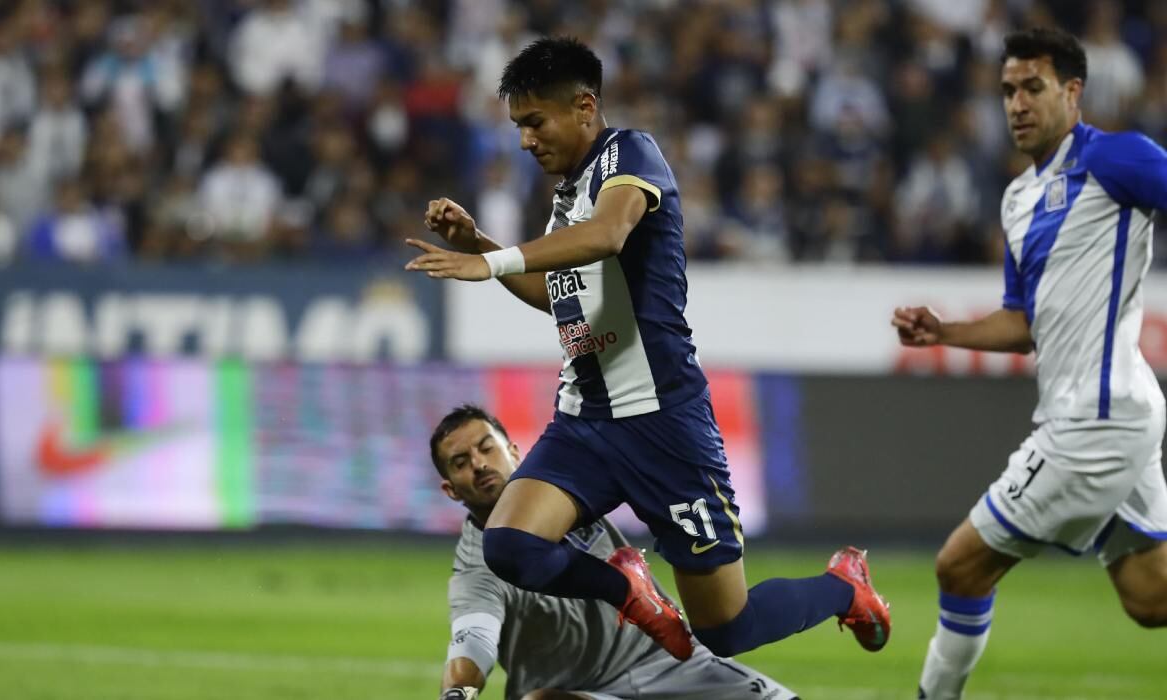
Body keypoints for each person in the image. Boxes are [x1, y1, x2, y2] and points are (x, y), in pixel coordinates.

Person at [405, 36, 890, 661]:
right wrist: (477, 244)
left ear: (583, 106)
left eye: (534, 122)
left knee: (725, 629)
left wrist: (493, 261)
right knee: (509, 546)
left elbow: (608, 236)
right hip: (586, 422)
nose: (525, 140)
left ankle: (841, 589)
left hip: (663, 424)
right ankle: (627, 587)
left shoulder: (629, 154)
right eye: (519, 126)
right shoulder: (565, 198)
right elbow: (560, 295)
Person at [891, 28, 1167, 700]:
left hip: (1092, 422)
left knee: (959, 566)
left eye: (1033, 88)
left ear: (1073, 93)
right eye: (1009, 90)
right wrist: (945, 331)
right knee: (1149, 599)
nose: (1016, 103)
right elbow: (1022, 325)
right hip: (1110, 413)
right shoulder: (1017, 201)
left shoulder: (1116, 160)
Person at [432, 405, 797, 700]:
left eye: (486, 447)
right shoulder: (478, 568)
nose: (479, 464)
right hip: (579, 693)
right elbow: (473, 642)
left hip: (671, 661)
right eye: (461, 462)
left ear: (513, 450)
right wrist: (457, 695)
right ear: (450, 490)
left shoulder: (569, 485)